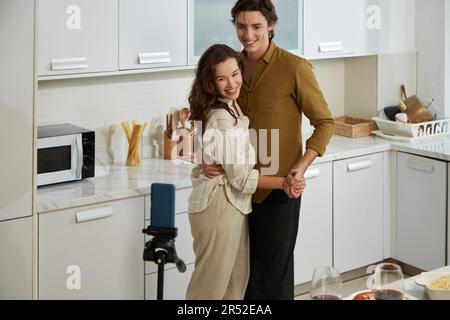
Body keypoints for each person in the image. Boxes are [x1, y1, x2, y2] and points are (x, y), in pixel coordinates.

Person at [202, 0, 335, 300]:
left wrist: (300, 168)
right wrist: (206, 157)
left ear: (271, 25)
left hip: (279, 189)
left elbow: (325, 122)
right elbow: (209, 115)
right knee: (244, 279)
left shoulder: (295, 67)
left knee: (275, 279)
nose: (247, 34)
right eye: (241, 26)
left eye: (256, 26)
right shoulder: (231, 66)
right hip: (237, 190)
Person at [185, 44, 304, 300]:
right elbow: (240, 177)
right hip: (218, 208)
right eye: (221, 78)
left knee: (234, 287)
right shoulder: (221, 117)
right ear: (210, 82)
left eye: (235, 74)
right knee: (209, 291)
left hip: (234, 207)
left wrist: (200, 155)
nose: (231, 83)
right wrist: (284, 182)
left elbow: (192, 137)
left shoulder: (231, 104)